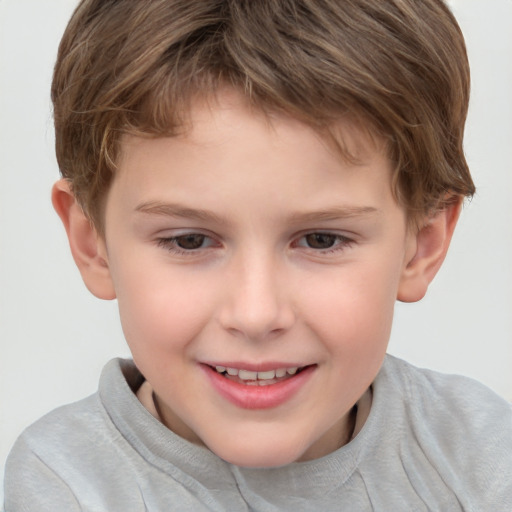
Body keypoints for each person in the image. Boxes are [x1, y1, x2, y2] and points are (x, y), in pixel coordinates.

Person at [4, 0, 511, 510]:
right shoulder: (64, 485)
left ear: (421, 245)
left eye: (321, 240)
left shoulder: (480, 457)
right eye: (189, 240)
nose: (256, 314)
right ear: (93, 243)